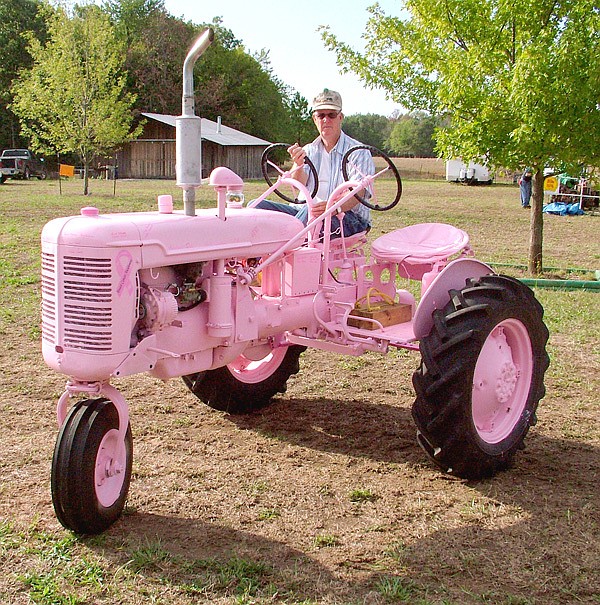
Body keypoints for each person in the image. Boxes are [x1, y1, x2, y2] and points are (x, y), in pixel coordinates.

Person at [257, 88, 374, 238]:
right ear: (314, 119)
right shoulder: (309, 150)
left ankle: (281, 248)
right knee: (257, 206)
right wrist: (298, 164)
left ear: (340, 117)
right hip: (306, 212)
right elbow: (296, 184)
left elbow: (358, 193)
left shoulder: (358, 152)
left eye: (331, 115)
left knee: (309, 213)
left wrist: (332, 207)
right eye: (321, 115)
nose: (326, 120)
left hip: (347, 217)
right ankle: (254, 258)